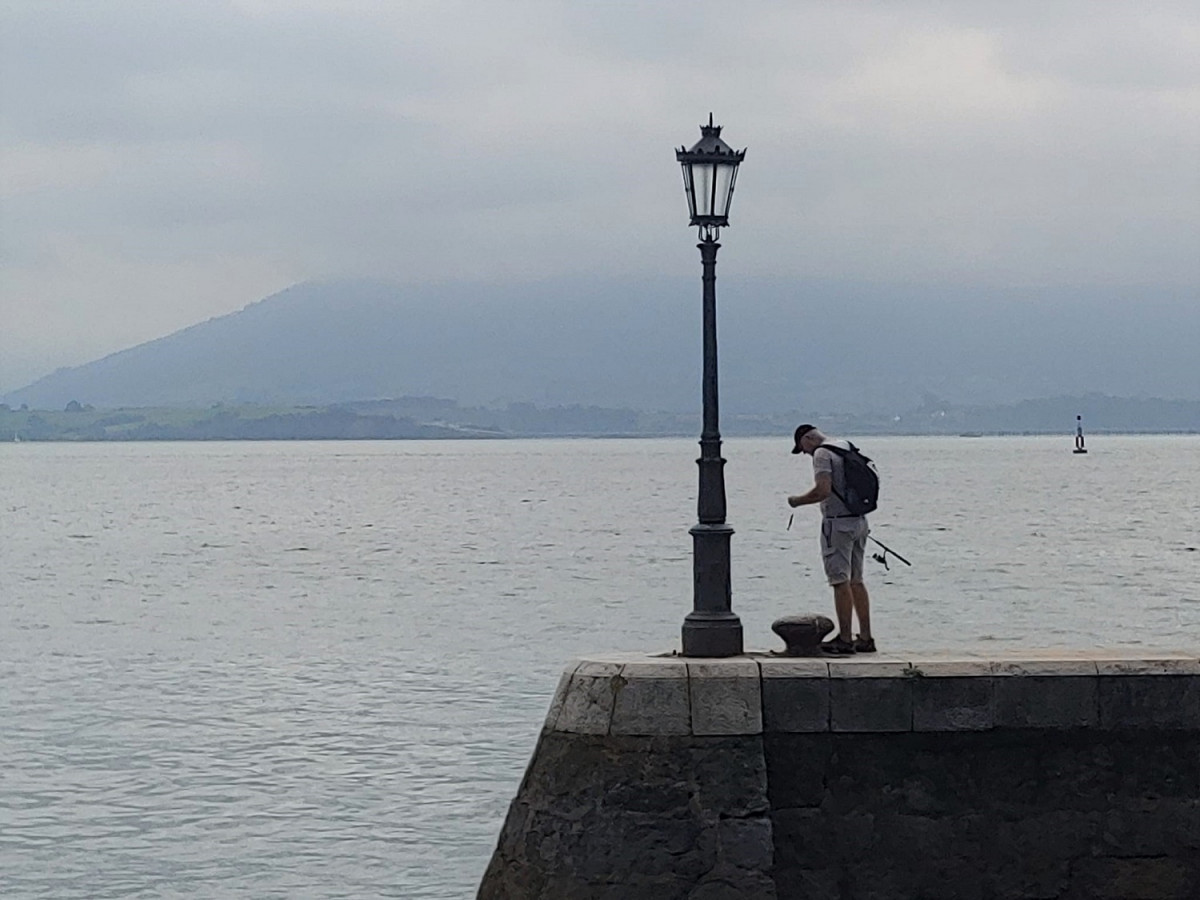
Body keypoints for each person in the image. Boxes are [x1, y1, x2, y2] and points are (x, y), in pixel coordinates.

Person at [787, 424, 875, 654]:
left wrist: (797, 500)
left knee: (839, 581)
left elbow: (822, 490)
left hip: (837, 523)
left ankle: (845, 639)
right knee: (857, 580)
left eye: (802, 448)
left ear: (808, 439)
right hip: (859, 520)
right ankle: (865, 637)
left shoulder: (822, 453)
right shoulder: (845, 446)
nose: (805, 453)